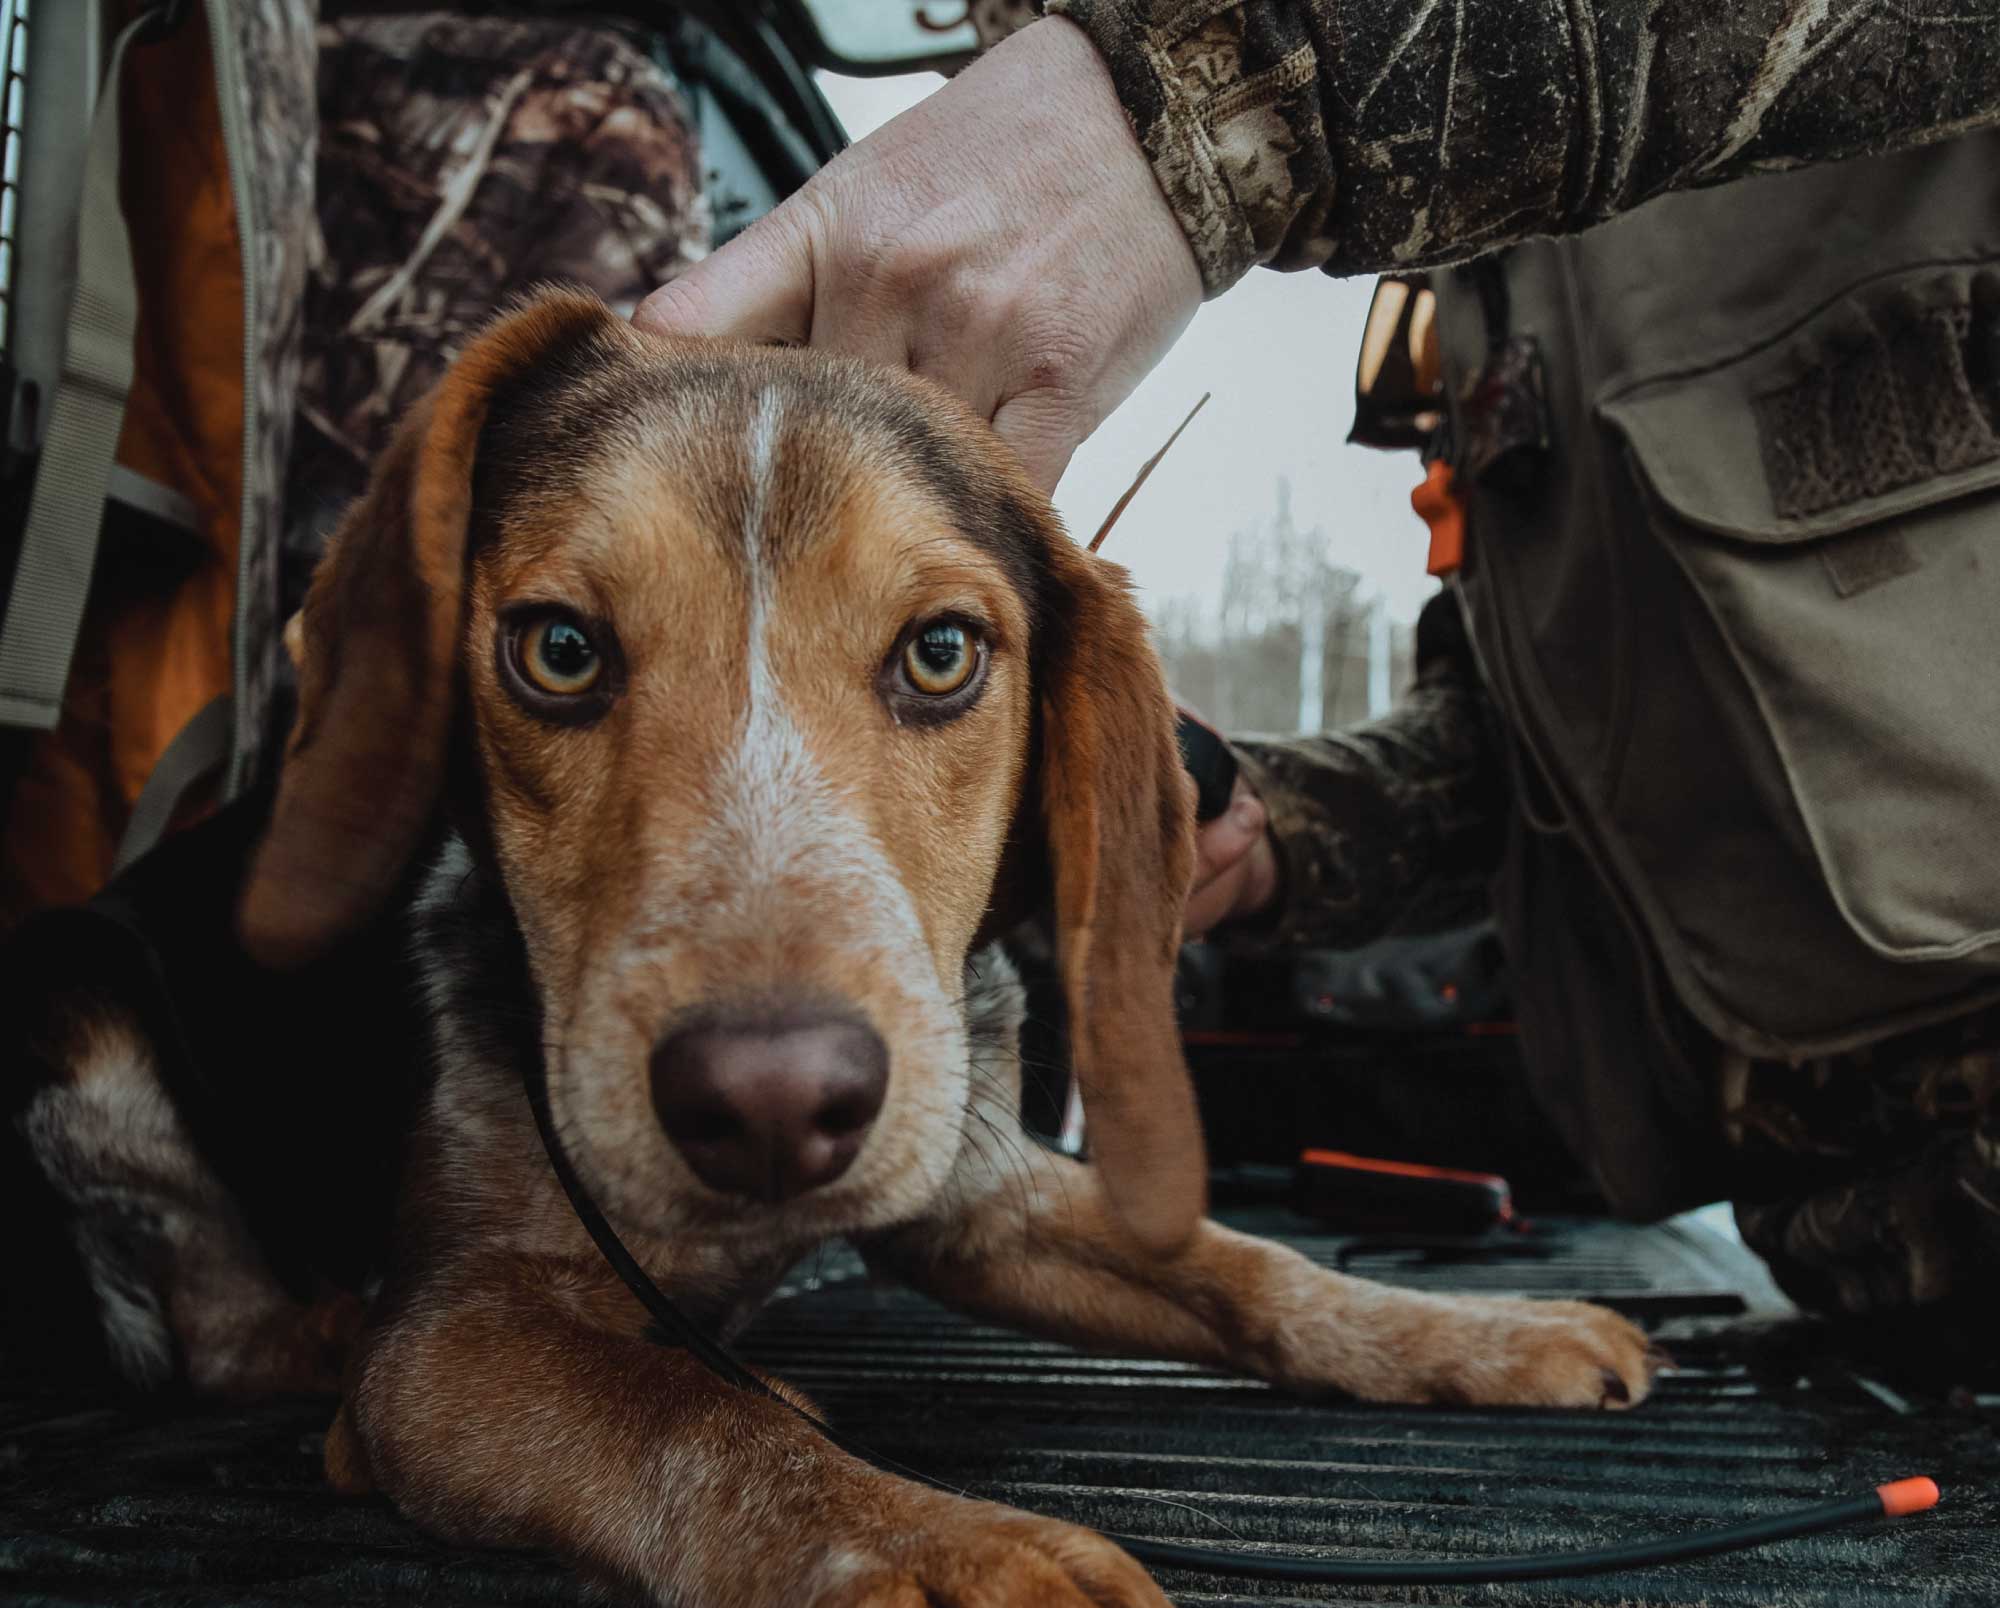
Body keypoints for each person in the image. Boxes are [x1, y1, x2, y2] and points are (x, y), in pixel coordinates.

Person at [636, 3, 2000, 1321]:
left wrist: (1202, 95)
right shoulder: (1499, 267)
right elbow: (1541, 742)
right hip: (1877, 1256)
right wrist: (1272, 827)